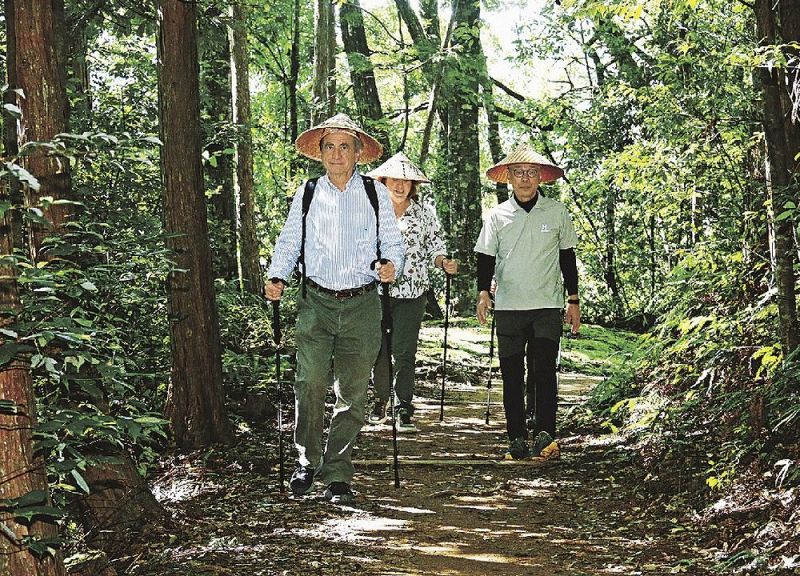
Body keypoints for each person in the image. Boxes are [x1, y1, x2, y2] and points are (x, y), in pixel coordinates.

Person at [265, 113, 405, 503]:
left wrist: (392, 265)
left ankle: (338, 472)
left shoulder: (376, 194)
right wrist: (277, 276)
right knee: (309, 382)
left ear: (359, 153)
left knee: (353, 392)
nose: (337, 153)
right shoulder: (308, 193)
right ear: (320, 153)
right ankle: (307, 461)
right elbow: (290, 242)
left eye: (345, 146)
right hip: (315, 302)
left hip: (362, 304)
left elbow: (393, 245)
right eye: (330, 146)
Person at [474, 143, 580, 460]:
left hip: (547, 305)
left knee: (544, 370)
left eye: (531, 173)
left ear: (540, 177)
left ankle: (545, 435)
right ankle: (516, 436)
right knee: (511, 374)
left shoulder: (557, 212)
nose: (524, 179)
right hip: (508, 307)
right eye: (518, 172)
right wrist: (483, 293)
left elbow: (568, 258)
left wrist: (573, 300)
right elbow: (485, 257)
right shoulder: (497, 216)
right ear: (508, 176)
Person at [366, 152, 458, 432]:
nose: (400, 185)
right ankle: (381, 400)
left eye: (406, 181)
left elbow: (435, 247)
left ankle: (403, 406)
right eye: (394, 179)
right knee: (377, 349)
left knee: (404, 351)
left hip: (413, 292)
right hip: (375, 291)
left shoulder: (424, 215)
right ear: (383, 181)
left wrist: (444, 262)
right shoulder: (371, 212)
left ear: (412, 185)